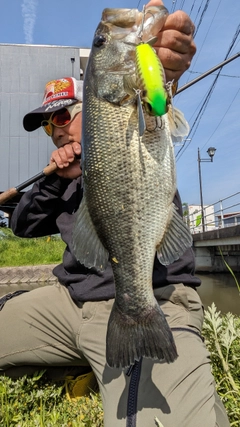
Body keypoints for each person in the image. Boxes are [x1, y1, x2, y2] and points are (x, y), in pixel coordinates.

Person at [0, 1, 230, 426]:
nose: (58, 128)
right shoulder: (60, 180)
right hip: (68, 302)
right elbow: (22, 224)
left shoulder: (137, 110)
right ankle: (73, 360)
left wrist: (162, 71)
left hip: (153, 298)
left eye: (64, 115)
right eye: (48, 125)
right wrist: (56, 179)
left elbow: (157, 102)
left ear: (90, 105)